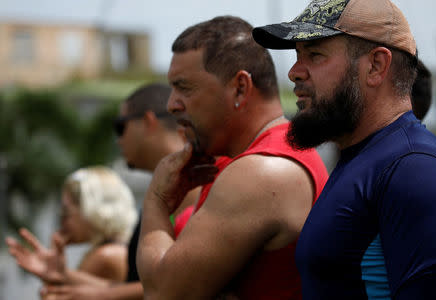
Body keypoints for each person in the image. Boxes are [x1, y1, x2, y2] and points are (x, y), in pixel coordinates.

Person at [252, 0, 436, 299]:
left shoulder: (414, 170)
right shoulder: (365, 157)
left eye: (315, 55)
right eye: (297, 55)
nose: (294, 72)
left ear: (376, 66)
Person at [135, 16, 329, 300]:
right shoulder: (250, 157)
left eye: (184, 88)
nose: (171, 104)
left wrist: (157, 201)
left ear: (240, 87)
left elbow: (163, 292)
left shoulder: (261, 171)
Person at [14, 83, 198, 300]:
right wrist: (64, 276)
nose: (118, 140)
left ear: (148, 121)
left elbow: (181, 283)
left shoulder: (193, 184)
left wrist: (98, 293)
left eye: (120, 127)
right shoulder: (165, 189)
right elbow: (140, 286)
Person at [6, 166, 137, 283]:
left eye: (65, 212)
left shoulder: (105, 256)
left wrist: (51, 277)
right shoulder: (119, 249)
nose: (62, 222)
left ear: (91, 211)